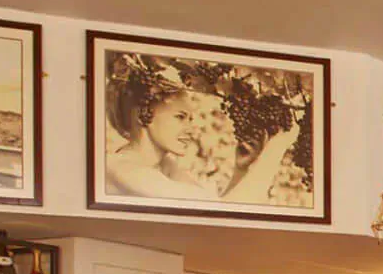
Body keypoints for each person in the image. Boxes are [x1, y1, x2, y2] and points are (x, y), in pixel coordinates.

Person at [104, 56, 300, 205]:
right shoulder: (122, 169)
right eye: (180, 117)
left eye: (190, 119)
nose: (191, 130)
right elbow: (226, 219)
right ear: (142, 115)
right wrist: (277, 146)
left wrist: (240, 170)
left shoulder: (166, 166)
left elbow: (215, 208)